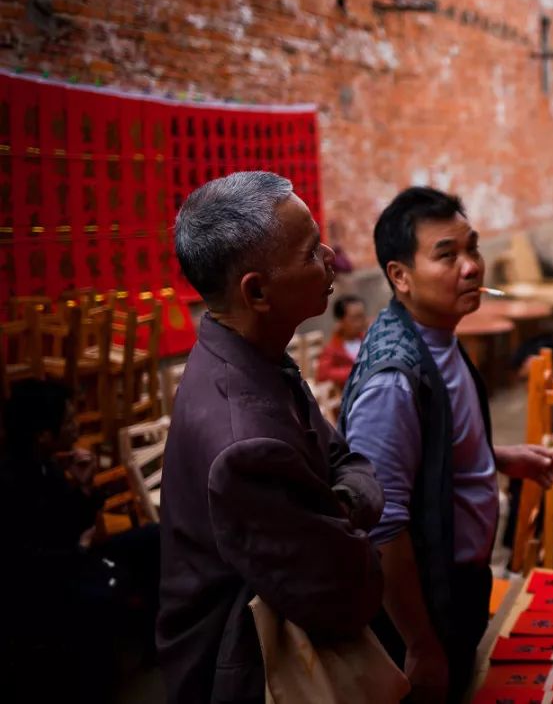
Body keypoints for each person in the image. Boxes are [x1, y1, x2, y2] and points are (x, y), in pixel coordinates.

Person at [157, 172, 385, 704]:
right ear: (256, 290)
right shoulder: (243, 440)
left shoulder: (249, 355)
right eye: (310, 253)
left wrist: (334, 509)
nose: (330, 256)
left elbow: (348, 461)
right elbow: (347, 591)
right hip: (247, 672)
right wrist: (350, 527)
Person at [339, 187, 553, 703]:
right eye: (447, 255)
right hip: (425, 601)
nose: (471, 267)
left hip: (458, 580)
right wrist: (420, 644)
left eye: (472, 248)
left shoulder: (436, 335)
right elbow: (384, 524)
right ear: (400, 276)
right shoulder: (393, 383)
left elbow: (430, 453)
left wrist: (495, 458)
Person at [1, 379, 161, 704]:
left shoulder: (47, 463)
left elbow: (74, 520)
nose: (76, 427)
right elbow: (23, 561)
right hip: (47, 577)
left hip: (73, 556)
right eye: (69, 421)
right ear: (43, 434)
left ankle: (155, 640)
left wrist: (85, 488)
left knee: (154, 538)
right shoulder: (12, 480)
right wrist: (80, 549)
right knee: (97, 598)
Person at [316, 295, 368, 387]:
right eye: (355, 318)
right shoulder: (332, 349)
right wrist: (356, 371)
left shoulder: (368, 341)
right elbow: (322, 375)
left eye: (362, 317)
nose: (360, 322)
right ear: (341, 321)